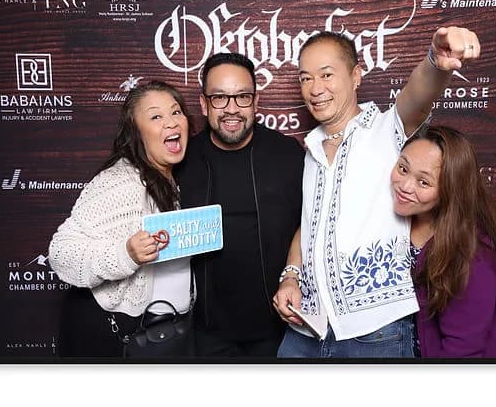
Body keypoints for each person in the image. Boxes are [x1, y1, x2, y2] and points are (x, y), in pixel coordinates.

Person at [273, 26, 482, 358]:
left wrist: (436, 61)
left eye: (326, 75)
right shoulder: (311, 149)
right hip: (306, 328)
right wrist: (290, 277)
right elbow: (309, 225)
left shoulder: (386, 129)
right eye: (305, 78)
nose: (315, 89)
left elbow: (416, 96)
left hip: (374, 333)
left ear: (356, 76)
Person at [48, 81, 193, 358]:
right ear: (136, 133)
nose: (171, 123)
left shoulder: (174, 178)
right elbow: (61, 253)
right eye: (156, 116)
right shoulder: (121, 183)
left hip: (163, 334)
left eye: (176, 112)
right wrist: (125, 253)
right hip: (113, 336)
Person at [175, 51, 304, 356]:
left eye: (242, 97)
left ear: (256, 102)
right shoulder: (182, 160)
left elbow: (312, 226)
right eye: (219, 98)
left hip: (281, 330)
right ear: (204, 104)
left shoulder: (287, 154)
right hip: (206, 335)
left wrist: (292, 277)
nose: (231, 109)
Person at [391, 125, 496, 358]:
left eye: (424, 182)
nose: (405, 186)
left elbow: (462, 352)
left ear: (450, 190)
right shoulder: (393, 220)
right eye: (403, 168)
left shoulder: (474, 256)